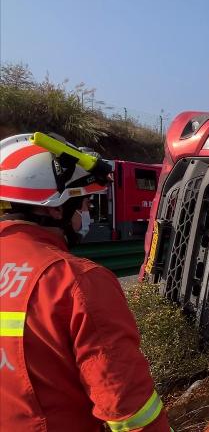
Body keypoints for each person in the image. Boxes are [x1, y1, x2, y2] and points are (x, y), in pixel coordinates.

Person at [0, 133, 170, 431]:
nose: (87, 213)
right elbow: (127, 405)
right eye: (85, 202)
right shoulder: (76, 280)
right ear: (54, 208)